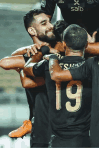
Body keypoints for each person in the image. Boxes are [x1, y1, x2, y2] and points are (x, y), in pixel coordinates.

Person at [23, 24, 92, 148]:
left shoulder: (50, 65)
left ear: (64, 44)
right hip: (84, 140)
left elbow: (27, 68)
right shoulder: (92, 68)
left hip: (57, 141)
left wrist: (40, 53)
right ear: (86, 45)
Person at [0, 9, 59, 147]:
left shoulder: (57, 52)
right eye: (44, 23)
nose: (50, 25)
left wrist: (22, 69)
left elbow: (24, 80)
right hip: (41, 128)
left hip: (59, 129)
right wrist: (31, 49)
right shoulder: (34, 55)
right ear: (32, 31)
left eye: (50, 21)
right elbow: (4, 62)